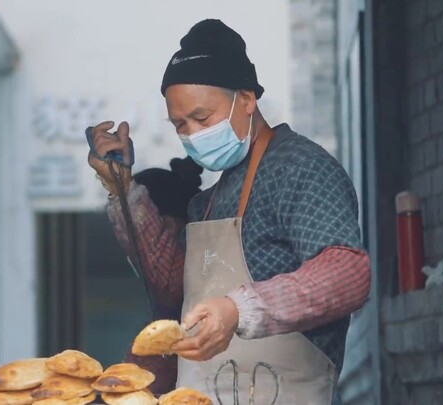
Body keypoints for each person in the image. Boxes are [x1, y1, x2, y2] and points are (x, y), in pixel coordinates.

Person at [87, 19, 371, 404]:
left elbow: (348, 272)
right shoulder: (209, 200)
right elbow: (173, 289)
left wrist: (240, 309)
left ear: (248, 99)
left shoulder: (299, 168)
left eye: (202, 119)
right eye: (180, 125)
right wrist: (121, 188)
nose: (191, 135)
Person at [119, 157, 203, 396]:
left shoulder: (176, 279)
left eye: (138, 244)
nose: (136, 256)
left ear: (171, 227)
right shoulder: (155, 329)